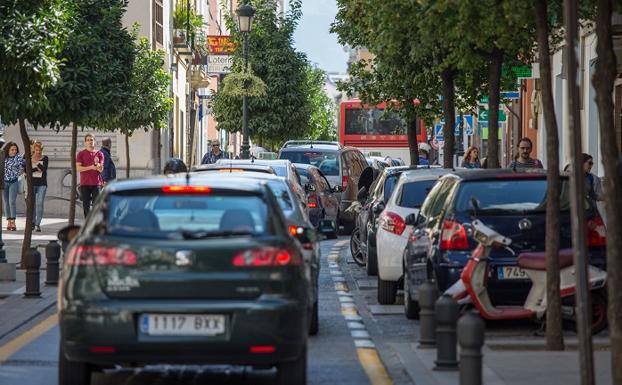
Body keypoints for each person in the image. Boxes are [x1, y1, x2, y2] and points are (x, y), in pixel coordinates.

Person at [76, 134, 104, 218]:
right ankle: (88, 225)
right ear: (85, 142)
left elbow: (101, 170)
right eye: (88, 140)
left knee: (97, 207)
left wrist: (98, 166)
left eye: (91, 140)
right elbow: (78, 168)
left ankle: (95, 225)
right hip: (85, 184)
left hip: (96, 184)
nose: (90, 142)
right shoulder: (81, 154)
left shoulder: (100, 154)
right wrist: (91, 167)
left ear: (94, 142)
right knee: (86, 207)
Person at [3, 142, 24, 231]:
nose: (14, 151)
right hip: (4, 182)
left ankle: (13, 221)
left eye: (15, 149)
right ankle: (8, 221)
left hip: (14, 182)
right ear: (8, 150)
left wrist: (19, 173)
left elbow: (25, 166)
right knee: (6, 202)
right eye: (12, 149)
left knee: (12, 202)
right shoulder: (3, 158)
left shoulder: (18, 158)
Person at [30, 141, 48, 232]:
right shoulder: (29, 158)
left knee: (39, 203)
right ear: (34, 149)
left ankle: (38, 224)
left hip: (42, 184)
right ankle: (32, 222)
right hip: (32, 183)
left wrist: (36, 162)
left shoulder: (45, 158)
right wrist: (37, 168)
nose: (38, 152)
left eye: (40, 150)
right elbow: (27, 170)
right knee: (32, 204)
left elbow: (44, 169)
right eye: (36, 150)